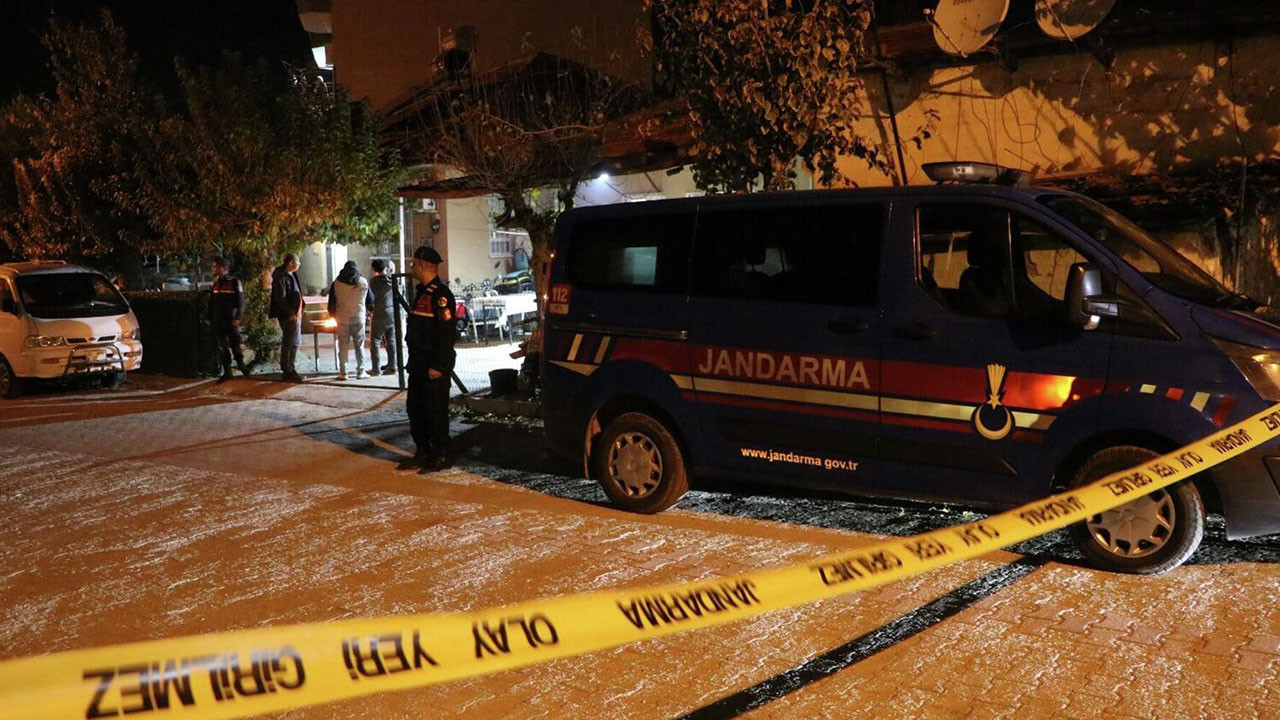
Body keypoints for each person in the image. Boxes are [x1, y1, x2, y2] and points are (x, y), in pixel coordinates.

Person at [399, 246, 457, 473]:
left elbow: (447, 334)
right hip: (418, 364)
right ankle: (422, 452)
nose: (412, 267)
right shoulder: (422, 292)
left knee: (435, 412)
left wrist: (439, 365)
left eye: (413, 264)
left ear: (422, 266)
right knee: (416, 409)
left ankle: (441, 454)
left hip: (433, 365)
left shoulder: (440, 296)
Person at [327, 260, 373, 380]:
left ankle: (343, 372)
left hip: (342, 318)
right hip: (358, 318)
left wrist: (333, 315)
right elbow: (371, 300)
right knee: (359, 345)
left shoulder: (336, 283)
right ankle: (361, 371)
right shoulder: (363, 282)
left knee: (343, 346)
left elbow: (331, 302)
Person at [209, 256, 250, 383]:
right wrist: (210, 318)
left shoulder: (234, 282)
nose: (213, 268)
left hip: (230, 319)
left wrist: (238, 317)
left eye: (215, 266)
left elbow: (241, 302)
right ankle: (227, 371)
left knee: (235, 344)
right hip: (218, 320)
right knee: (222, 346)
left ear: (222, 268)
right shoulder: (216, 283)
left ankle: (242, 367)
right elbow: (212, 302)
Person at [270, 253, 304, 383]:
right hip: (289, 316)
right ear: (291, 263)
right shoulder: (281, 277)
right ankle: (287, 370)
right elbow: (280, 298)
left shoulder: (292, 275)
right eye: (297, 262)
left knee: (295, 342)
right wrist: (290, 313)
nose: (299, 265)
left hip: (296, 315)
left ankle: (291, 368)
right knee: (289, 342)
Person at [368, 259, 396, 376]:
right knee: (391, 340)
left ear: (374, 270)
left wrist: (370, 310)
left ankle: (375, 369)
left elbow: (370, 298)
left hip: (379, 312)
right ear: (385, 268)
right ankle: (392, 366)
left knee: (375, 341)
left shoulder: (373, 282)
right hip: (392, 312)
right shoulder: (392, 280)